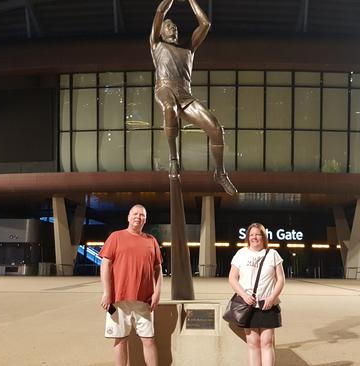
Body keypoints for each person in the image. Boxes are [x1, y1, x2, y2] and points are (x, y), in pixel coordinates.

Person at [150, 0, 238, 196]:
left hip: (185, 95)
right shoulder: (156, 45)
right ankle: (174, 159)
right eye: (168, 26)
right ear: (161, 32)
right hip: (165, 89)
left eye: (174, 26)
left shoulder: (188, 48)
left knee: (216, 128)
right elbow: (160, 11)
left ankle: (220, 173)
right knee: (169, 108)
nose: (173, 28)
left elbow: (205, 24)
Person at [99, 204, 163, 366]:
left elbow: (158, 268)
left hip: (144, 299)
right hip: (118, 299)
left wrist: (157, 292)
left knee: (149, 339)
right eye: (135, 214)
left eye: (142, 215)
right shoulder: (116, 237)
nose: (138, 217)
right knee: (120, 339)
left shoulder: (151, 241)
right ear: (128, 217)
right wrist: (106, 292)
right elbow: (105, 265)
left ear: (145, 220)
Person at [229, 223, 285, 366]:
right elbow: (232, 278)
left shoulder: (273, 254)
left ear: (263, 237)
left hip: (268, 305)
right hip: (249, 305)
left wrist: (272, 298)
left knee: (267, 343)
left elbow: (281, 280)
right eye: (251, 234)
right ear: (248, 237)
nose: (254, 237)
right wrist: (243, 295)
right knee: (253, 343)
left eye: (257, 234)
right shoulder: (241, 253)